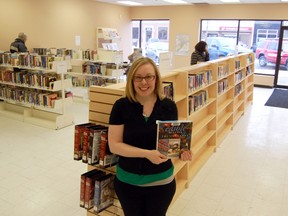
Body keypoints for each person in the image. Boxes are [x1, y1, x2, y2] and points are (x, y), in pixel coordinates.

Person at [108, 57, 192, 216]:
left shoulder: (169, 106)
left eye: (148, 77)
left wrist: (182, 151)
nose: (143, 82)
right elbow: (114, 145)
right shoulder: (121, 106)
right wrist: (147, 154)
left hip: (161, 183)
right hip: (128, 183)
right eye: (138, 77)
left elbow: (170, 143)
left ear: (156, 79)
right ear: (131, 80)